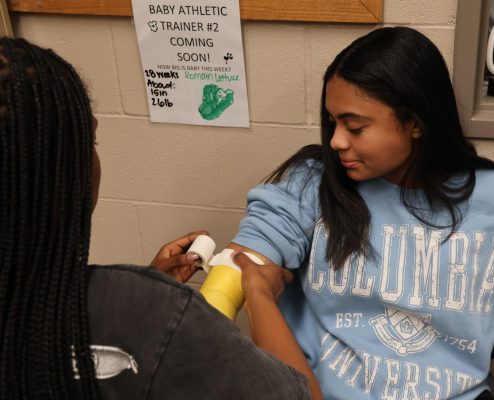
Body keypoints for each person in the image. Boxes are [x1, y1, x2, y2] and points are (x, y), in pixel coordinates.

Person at [218, 27, 494, 399]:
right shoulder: (312, 183)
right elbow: (239, 266)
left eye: (354, 126)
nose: (335, 140)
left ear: (414, 123)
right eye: (333, 122)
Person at [0, 37, 311, 399]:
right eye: (93, 143)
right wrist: (258, 296)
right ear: (67, 172)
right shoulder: (147, 311)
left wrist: (140, 292)